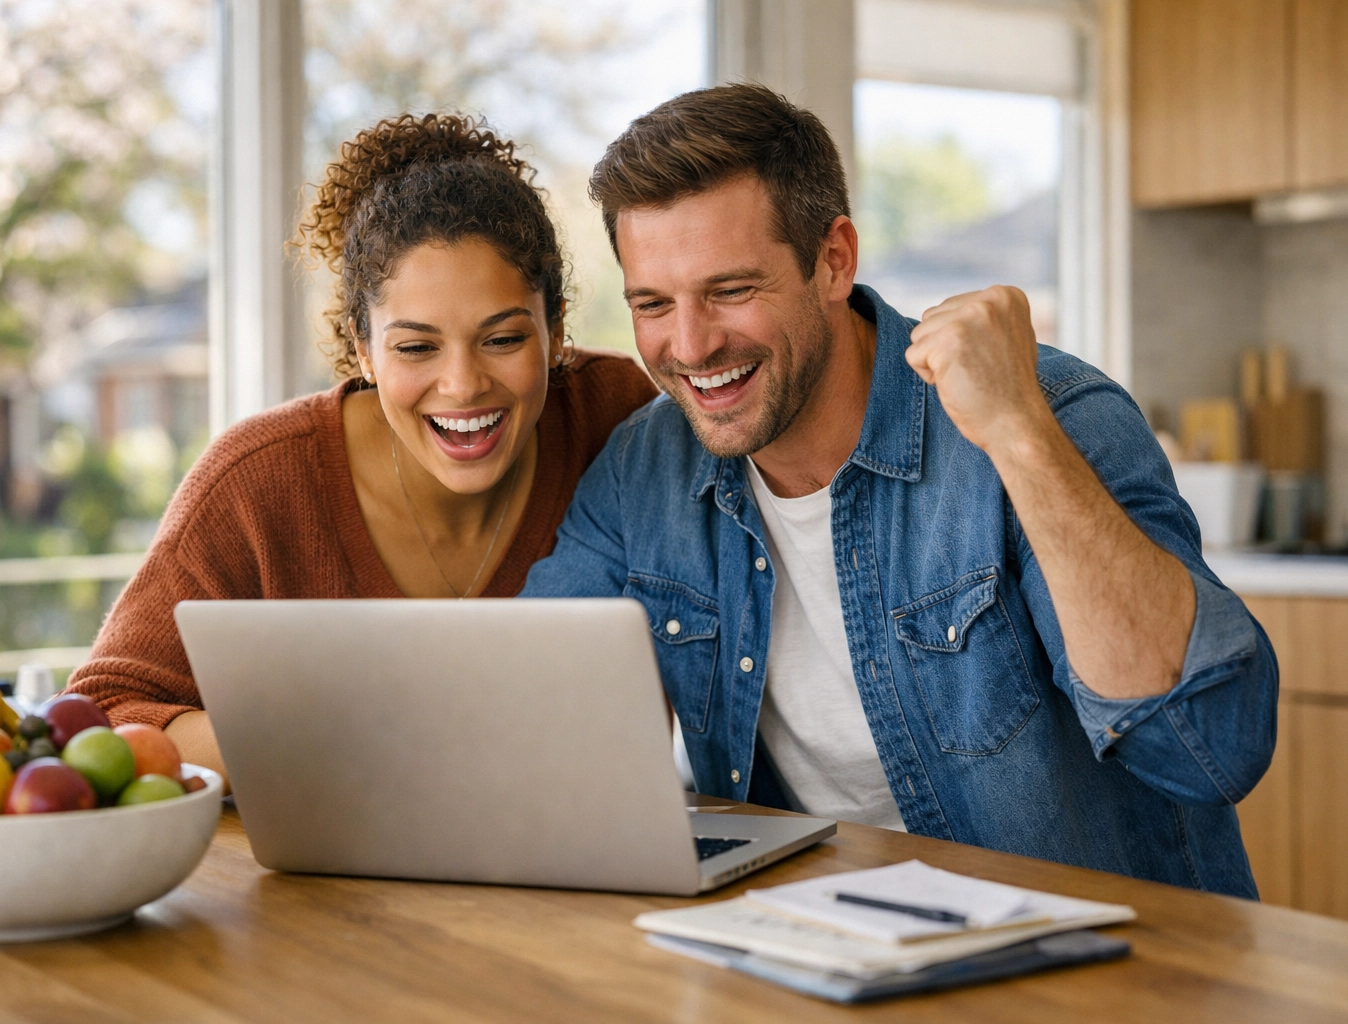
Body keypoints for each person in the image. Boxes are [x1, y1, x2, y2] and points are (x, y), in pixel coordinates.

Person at [521, 84, 1278, 897]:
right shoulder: (646, 469)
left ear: (834, 261)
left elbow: (1206, 748)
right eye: (652, 304)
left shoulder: (1051, 414)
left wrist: (1019, 437)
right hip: (817, 950)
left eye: (731, 290)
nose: (692, 344)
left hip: (1098, 972)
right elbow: (522, 726)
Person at [66, 114, 657, 776]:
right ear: (363, 349)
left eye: (503, 339)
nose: (462, 386)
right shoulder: (258, 479)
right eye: (415, 347)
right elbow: (97, 717)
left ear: (556, 328)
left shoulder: (614, 414)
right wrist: (341, 738)